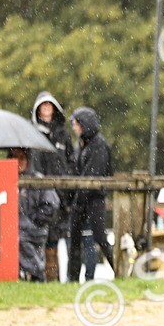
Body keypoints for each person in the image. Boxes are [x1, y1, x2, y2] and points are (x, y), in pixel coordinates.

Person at [67, 106, 114, 283]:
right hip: (81, 199)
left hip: (94, 199)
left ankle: (119, 270)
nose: (74, 127)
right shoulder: (80, 145)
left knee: (100, 238)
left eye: (77, 124)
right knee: (75, 239)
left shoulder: (99, 145)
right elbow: (76, 171)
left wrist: (78, 199)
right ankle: (72, 278)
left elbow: (92, 175)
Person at [30, 92, 73, 282]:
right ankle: (39, 277)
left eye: (49, 106)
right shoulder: (32, 133)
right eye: (43, 106)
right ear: (38, 110)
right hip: (39, 191)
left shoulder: (63, 134)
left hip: (61, 192)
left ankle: (54, 278)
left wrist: (67, 182)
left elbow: (71, 160)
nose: (46, 110)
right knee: (39, 236)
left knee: (55, 239)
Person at [9, 147, 59, 283]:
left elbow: (51, 205)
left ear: (28, 160)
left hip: (33, 230)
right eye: (14, 158)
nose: (18, 162)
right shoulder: (5, 180)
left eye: (21, 158)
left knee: (22, 240)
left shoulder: (37, 180)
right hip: (11, 230)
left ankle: (37, 274)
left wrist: (35, 220)